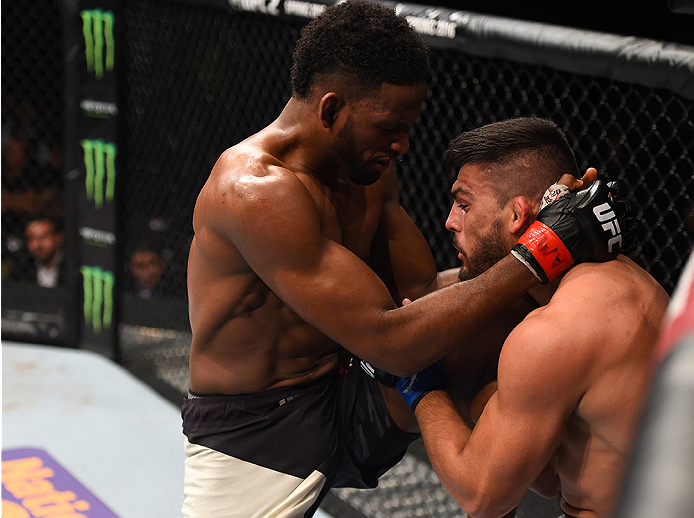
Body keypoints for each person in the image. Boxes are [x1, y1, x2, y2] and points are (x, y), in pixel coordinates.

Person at [182, 3, 625, 517]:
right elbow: (391, 341)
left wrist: (545, 220)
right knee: (508, 286)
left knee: (509, 305)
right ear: (331, 111)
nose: (404, 144)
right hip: (256, 429)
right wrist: (545, 247)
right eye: (390, 127)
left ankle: (571, 472)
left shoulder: (368, 169)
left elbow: (422, 291)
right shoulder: (254, 191)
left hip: (348, 388)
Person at [396, 117, 670, 518]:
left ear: (517, 216)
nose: (450, 221)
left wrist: (419, 381)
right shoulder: (626, 280)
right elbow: (548, 479)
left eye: (464, 203)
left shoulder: (555, 330)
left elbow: (481, 497)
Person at [17, 215, 65, 288]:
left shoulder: (71, 266)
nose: (37, 245)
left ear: (58, 238)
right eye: (31, 239)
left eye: (43, 237)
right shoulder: (23, 266)